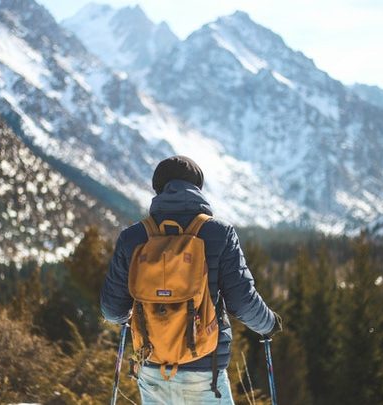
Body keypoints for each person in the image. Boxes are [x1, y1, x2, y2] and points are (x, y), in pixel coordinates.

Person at [101, 155, 282, 404]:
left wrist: (133, 316)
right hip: (205, 369)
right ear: (198, 187)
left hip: (152, 365)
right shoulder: (219, 233)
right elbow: (242, 301)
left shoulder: (132, 237)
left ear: (158, 188)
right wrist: (269, 324)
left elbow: (112, 311)